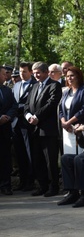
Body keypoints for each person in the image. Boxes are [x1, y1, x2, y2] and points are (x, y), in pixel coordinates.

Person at [24, 61, 62, 197]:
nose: (36, 75)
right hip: (34, 129)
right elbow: (27, 104)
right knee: (37, 159)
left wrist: (37, 116)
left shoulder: (54, 85)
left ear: (46, 72)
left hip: (48, 129)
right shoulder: (34, 87)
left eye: (38, 73)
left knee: (50, 160)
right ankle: (42, 185)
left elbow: (52, 103)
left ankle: (54, 186)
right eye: (34, 73)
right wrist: (28, 116)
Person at [12, 62, 36, 191]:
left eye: (24, 71)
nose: (22, 74)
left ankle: (31, 181)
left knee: (29, 152)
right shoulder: (16, 86)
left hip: (28, 123)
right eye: (20, 71)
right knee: (19, 152)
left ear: (31, 72)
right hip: (16, 123)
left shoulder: (35, 85)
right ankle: (22, 180)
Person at [59, 66, 84, 155]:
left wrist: (69, 122)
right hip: (67, 129)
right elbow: (61, 109)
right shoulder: (66, 91)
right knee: (68, 155)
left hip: (78, 127)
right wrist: (64, 123)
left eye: (72, 75)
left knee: (79, 156)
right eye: (67, 76)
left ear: (78, 76)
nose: (69, 78)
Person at [0, 67, 17, 195]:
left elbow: (14, 105)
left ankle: (6, 185)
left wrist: (8, 117)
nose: (6, 75)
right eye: (3, 73)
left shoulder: (7, 90)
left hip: (5, 130)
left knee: (5, 159)